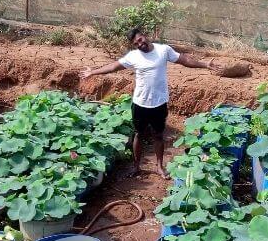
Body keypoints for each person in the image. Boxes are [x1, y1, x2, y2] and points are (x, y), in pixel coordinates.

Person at [80, 28, 222, 178]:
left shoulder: (163, 50)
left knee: (158, 136)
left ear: (145, 36)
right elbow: (113, 66)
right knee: (139, 135)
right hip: (140, 103)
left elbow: (184, 60)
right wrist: (93, 72)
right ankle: (136, 167)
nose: (140, 44)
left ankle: (159, 167)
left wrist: (205, 64)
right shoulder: (133, 56)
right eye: (136, 43)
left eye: (140, 40)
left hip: (159, 103)